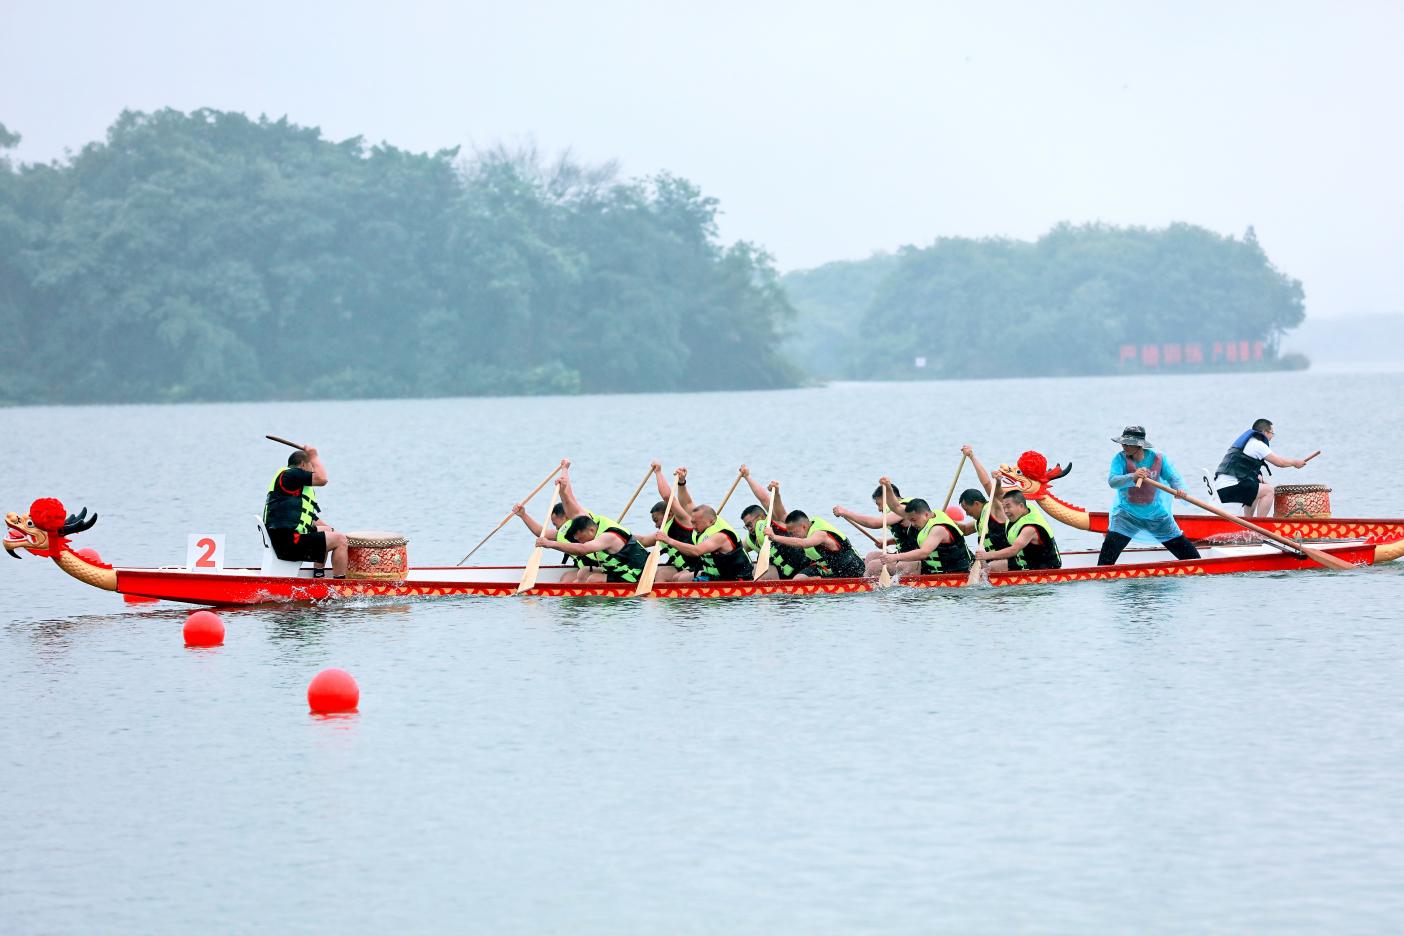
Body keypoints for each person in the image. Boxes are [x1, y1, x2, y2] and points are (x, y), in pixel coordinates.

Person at [1098, 426, 1201, 565]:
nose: (1124, 446)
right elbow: (1113, 481)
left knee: (1193, 559)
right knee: (1105, 563)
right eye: (1123, 442)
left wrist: (1179, 490)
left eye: (1128, 443)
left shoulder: (1158, 459)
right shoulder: (1120, 459)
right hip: (1126, 516)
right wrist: (1132, 477)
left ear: (1139, 445)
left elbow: (1174, 479)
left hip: (1157, 517)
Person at [263, 445, 349, 578]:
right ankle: (340, 588)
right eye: (312, 466)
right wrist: (314, 455)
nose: (313, 470)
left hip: (284, 539)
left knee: (328, 532)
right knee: (341, 540)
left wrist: (330, 529)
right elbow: (322, 479)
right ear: (303, 465)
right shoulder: (291, 474)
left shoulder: (289, 482)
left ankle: (318, 576)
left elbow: (309, 516)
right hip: (290, 543)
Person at [1212, 418, 1313, 517]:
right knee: (1268, 491)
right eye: (1272, 433)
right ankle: (1261, 525)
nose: (1272, 437)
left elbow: (1253, 475)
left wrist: (1267, 483)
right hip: (1229, 489)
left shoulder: (1246, 444)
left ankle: (1248, 524)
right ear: (1265, 432)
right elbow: (1280, 462)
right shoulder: (1258, 445)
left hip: (1221, 488)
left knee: (1256, 487)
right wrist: (1295, 462)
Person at [832, 477, 922, 576]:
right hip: (903, 555)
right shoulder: (896, 511)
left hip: (915, 559)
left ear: (888, 498)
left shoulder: (905, 508)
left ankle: (865, 585)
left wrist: (846, 512)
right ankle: (865, 582)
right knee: (871, 556)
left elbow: (875, 523)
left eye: (879, 504)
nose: (879, 509)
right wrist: (887, 542)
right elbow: (910, 536)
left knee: (873, 566)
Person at [766, 495, 868, 580]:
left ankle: (819, 581)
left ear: (804, 527)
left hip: (850, 568)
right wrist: (777, 492)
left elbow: (804, 543)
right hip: (827, 567)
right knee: (798, 579)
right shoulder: (803, 525)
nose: (792, 536)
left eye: (793, 533)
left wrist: (774, 537)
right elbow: (782, 514)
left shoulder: (820, 534)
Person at [737, 467, 808, 580]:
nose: (749, 529)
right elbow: (735, 549)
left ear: (761, 517)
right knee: (750, 570)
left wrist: (747, 477)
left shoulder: (776, 520)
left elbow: (764, 499)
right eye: (746, 526)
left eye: (750, 524)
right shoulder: (751, 540)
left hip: (803, 570)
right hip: (782, 576)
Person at [536, 514, 650, 584]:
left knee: (593, 579)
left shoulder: (608, 537)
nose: (580, 541)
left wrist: (551, 544)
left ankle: (590, 608)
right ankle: (580, 600)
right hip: (619, 572)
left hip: (636, 574)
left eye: (580, 537)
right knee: (583, 572)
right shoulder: (600, 536)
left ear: (591, 530)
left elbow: (582, 550)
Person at [658, 502, 755, 582]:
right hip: (716, 574)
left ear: (711, 522)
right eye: (692, 522)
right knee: (677, 578)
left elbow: (696, 551)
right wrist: (681, 482)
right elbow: (687, 503)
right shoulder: (705, 526)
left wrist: (668, 540)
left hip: (736, 578)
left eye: (696, 523)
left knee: (683, 580)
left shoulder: (720, 536)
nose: (693, 526)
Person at [876, 498, 971, 576]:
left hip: (955, 572)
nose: (912, 524)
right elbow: (895, 507)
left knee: (902, 566)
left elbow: (924, 553)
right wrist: (887, 486)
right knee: (874, 564)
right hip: (931, 570)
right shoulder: (926, 518)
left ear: (926, 514)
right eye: (910, 520)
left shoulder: (938, 529)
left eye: (914, 520)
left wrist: (895, 557)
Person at [973, 491, 1061, 571]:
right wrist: (999, 481)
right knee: (990, 566)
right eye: (1004, 508)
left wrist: (987, 555)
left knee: (992, 567)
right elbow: (997, 493)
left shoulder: (1029, 528)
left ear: (1021, 506)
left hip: (1045, 567)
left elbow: (1014, 550)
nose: (1006, 511)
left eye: (1008, 507)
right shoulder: (1024, 508)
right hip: (1027, 559)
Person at [953, 445, 1011, 553]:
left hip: (1009, 561)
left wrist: (971, 456)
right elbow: (965, 529)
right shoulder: (980, 521)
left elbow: (987, 483)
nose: (967, 514)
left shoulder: (995, 508)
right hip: (993, 562)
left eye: (967, 510)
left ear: (976, 504)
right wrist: (945, 520)